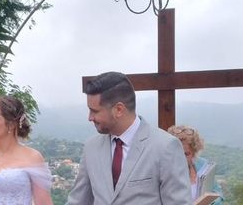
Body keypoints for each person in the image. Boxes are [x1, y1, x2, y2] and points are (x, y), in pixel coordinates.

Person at [66, 71, 191, 204]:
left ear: (119, 109)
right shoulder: (91, 148)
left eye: (95, 111)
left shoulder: (165, 147)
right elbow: (78, 201)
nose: (90, 118)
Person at [167, 125, 223, 204]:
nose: (182, 158)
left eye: (186, 154)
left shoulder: (204, 166)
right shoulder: (164, 171)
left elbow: (218, 194)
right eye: (178, 153)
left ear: (194, 152)